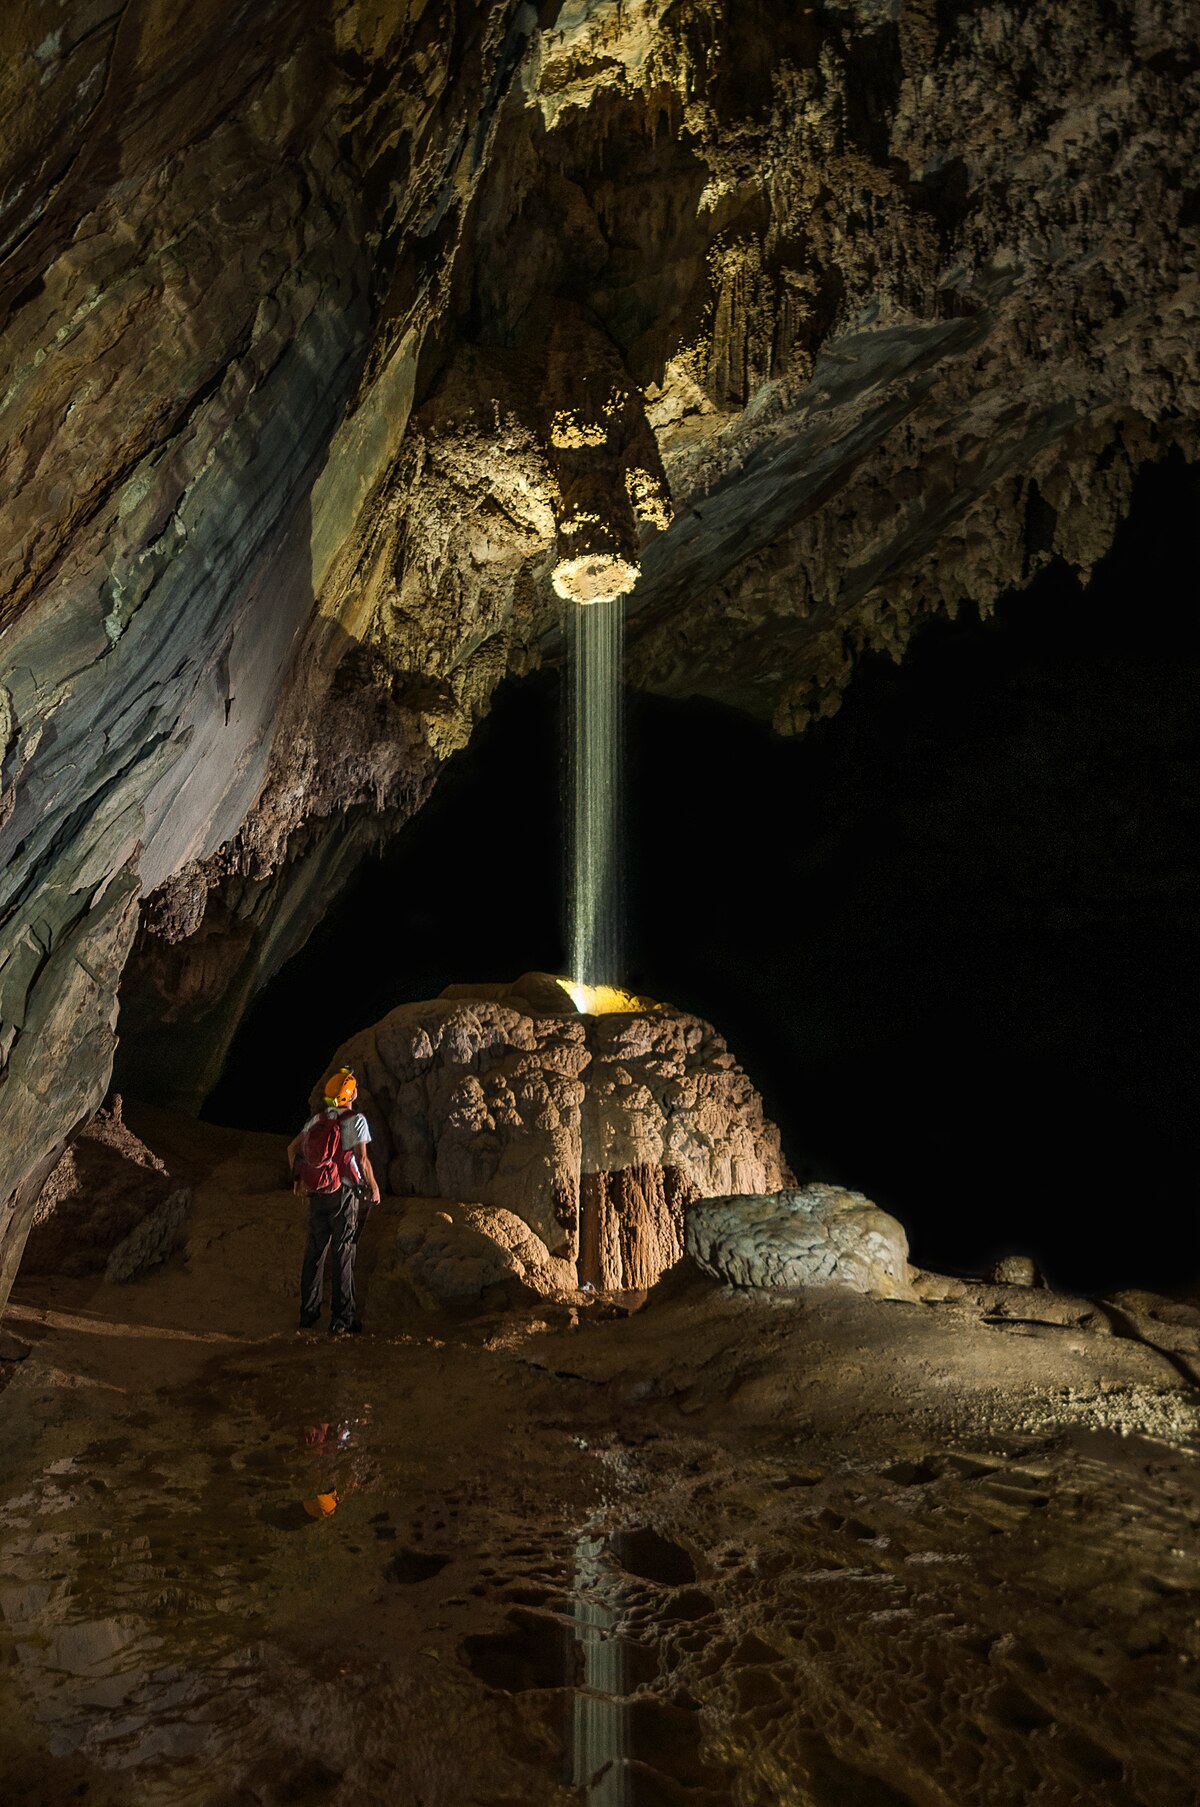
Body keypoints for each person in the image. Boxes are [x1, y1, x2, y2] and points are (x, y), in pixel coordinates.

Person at [287, 1067, 380, 1336]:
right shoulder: (355, 1120)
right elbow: (362, 1159)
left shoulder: (318, 1119)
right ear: (350, 1094)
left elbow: (292, 1149)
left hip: (318, 1193)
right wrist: (373, 1187)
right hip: (343, 1195)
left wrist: (298, 1179)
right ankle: (342, 1321)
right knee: (343, 1255)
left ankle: (308, 1314)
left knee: (314, 1255)